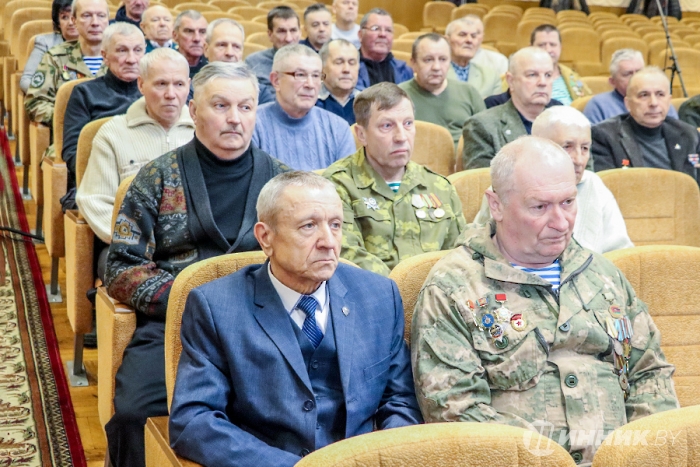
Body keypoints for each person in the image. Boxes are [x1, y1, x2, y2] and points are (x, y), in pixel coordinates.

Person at [412, 136, 679, 466]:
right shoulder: (453, 287)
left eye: (568, 202)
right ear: (496, 205)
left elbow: (650, 373)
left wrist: (638, 455)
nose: (561, 222)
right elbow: (455, 410)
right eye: (539, 207)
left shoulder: (604, 275)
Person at [103, 62, 289, 467]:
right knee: (134, 415)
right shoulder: (157, 177)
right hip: (175, 326)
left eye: (245, 107)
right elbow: (120, 266)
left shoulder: (283, 185)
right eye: (221, 105)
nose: (234, 118)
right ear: (193, 110)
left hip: (266, 329)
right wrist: (190, 302)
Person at [169, 171, 423, 467]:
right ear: (266, 237)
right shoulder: (216, 307)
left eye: (335, 225)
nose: (328, 242)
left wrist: (384, 460)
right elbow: (194, 420)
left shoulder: (378, 297)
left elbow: (400, 402)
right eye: (308, 226)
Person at [324, 82, 467, 276]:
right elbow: (347, 257)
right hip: (373, 291)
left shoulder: (439, 186)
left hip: (436, 290)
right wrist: (402, 287)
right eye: (387, 126)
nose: (401, 137)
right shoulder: (338, 185)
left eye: (408, 123)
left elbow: (460, 254)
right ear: (362, 134)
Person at [76, 48, 194, 280]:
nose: (171, 94)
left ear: (189, 86)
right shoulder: (113, 133)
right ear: (141, 84)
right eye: (161, 84)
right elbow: (94, 200)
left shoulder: (204, 131)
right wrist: (136, 242)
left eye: (179, 84)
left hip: (191, 247)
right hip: (130, 250)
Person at [474, 106, 633, 254]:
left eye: (585, 148)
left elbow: (620, 253)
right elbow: (481, 250)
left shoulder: (594, 184)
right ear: (536, 145)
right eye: (567, 147)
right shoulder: (506, 189)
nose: (579, 159)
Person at [62, 22, 145, 195]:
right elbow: (73, 153)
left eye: (138, 50)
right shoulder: (84, 93)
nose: (131, 59)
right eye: (122, 50)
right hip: (99, 184)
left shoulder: (155, 94)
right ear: (105, 56)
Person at [252, 44, 355, 171]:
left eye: (316, 76)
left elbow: (345, 181)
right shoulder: (252, 124)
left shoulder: (338, 128)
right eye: (300, 75)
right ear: (276, 80)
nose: (310, 85)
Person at [592, 67, 700, 184]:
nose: (653, 103)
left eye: (660, 94)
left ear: (669, 100)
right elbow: (608, 187)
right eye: (644, 95)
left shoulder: (689, 134)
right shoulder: (604, 136)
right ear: (628, 103)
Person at [461, 47, 554, 170]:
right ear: (510, 81)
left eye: (548, 75)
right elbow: (481, 179)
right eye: (532, 75)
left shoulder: (563, 121)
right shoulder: (483, 127)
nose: (543, 82)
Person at [25, 0, 110, 124]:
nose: (95, 22)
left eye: (101, 16)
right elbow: (35, 102)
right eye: (87, 15)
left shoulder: (121, 58)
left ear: (108, 21)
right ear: (74, 21)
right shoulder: (56, 57)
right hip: (69, 132)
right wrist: (70, 117)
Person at [400, 33, 485, 146]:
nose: (436, 67)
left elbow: (485, 138)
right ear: (413, 63)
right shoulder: (399, 96)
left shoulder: (469, 93)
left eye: (443, 59)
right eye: (428, 60)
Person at [584, 49, 679, 124]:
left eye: (639, 72)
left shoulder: (660, 101)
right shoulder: (598, 105)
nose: (635, 77)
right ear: (612, 81)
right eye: (627, 74)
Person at [20, 0, 79, 93]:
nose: (71, 22)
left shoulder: (97, 44)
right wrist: (54, 96)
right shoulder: (45, 43)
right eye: (64, 17)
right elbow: (26, 80)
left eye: (74, 16)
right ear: (58, 23)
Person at [245, 6, 301, 105]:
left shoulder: (312, 62)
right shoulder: (254, 62)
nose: (288, 38)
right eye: (281, 31)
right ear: (270, 34)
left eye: (293, 30)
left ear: (300, 33)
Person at [531, 24, 591, 106]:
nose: (548, 50)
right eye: (542, 45)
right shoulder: (521, 77)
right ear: (530, 47)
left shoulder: (572, 76)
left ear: (560, 47)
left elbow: (587, 104)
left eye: (553, 45)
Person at [444, 16, 502, 99]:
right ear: (447, 40)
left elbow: (496, 106)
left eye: (473, 36)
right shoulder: (435, 71)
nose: (469, 40)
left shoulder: (491, 77)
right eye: (462, 35)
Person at [356, 9, 412, 90]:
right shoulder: (349, 68)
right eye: (376, 28)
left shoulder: (405, 71)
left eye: (388, 30)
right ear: (361, 35)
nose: (383, 34)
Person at [316, 39, 359, 125]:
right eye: (339, 62)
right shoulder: (310, 102)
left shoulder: (368, 103)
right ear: (322, 67)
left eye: (352, 63)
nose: (346, 69)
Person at [173, 10, 208, 79]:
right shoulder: (165, 64)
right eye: (189, 31)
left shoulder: (212, 65)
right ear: (175, 35)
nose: (197, 39)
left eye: (202, 32)